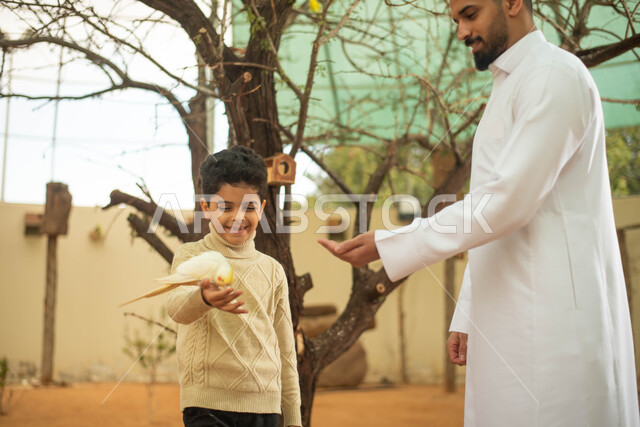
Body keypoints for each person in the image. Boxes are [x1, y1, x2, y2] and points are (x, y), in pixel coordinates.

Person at [318, 0, 640, 425]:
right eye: (456, 20)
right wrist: (469, 310)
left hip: (554, 321)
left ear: (512, 3)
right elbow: (487, 208)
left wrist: (390, 241)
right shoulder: (510, 84)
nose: (462, 32)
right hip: (507, 317)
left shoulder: (555, 76)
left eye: (470, 14)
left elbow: (507, 202)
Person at [167, 145, 302, 427]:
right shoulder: (191, 255)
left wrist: (293, 420)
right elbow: (176, 309)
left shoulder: (273, 270)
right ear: (206, 206)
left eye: (249, 207)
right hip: (207, 406)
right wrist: (203, 298)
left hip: (266, 409)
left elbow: (286, 352)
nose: (238, 217)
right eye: (225, 207)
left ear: (262, 208)